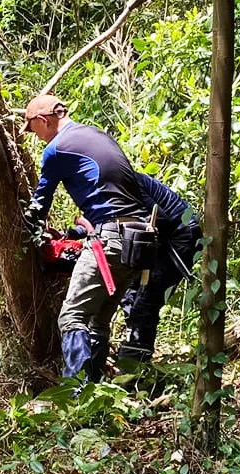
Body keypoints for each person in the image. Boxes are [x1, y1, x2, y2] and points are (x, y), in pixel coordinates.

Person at [22, 94, 148, 382]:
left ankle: (75, 397)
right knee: (96, 321)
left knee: (71, 317)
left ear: (45, 120)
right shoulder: (95, 134)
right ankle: (97, 399)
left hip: (112, 239)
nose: (35, 137)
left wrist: (27, 229)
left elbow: (40, 203)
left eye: (33, 129)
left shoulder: (57, 149)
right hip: (141, 240)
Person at [116, 173, 201, 364]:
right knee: (129, 294)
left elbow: (159, 219)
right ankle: (134, 353)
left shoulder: (124, 181)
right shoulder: (113, 183)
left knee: (146, 301)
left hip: (179, 236)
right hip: (158, 238)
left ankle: (134, 369)